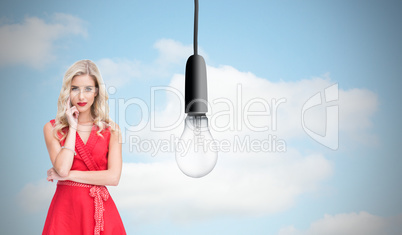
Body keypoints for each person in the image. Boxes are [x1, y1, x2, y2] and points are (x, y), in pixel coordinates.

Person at [42, 60, 126, 235]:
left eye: (88, 89)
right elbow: (63, 168)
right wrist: (72, 126)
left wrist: (69, 176)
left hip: (101, 212)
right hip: (66, 213)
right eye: (75, 88)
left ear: (96, 91)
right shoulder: (52, 128)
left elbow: (113, 177)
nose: (81, 97)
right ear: (67, 91)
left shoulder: (112, 130)